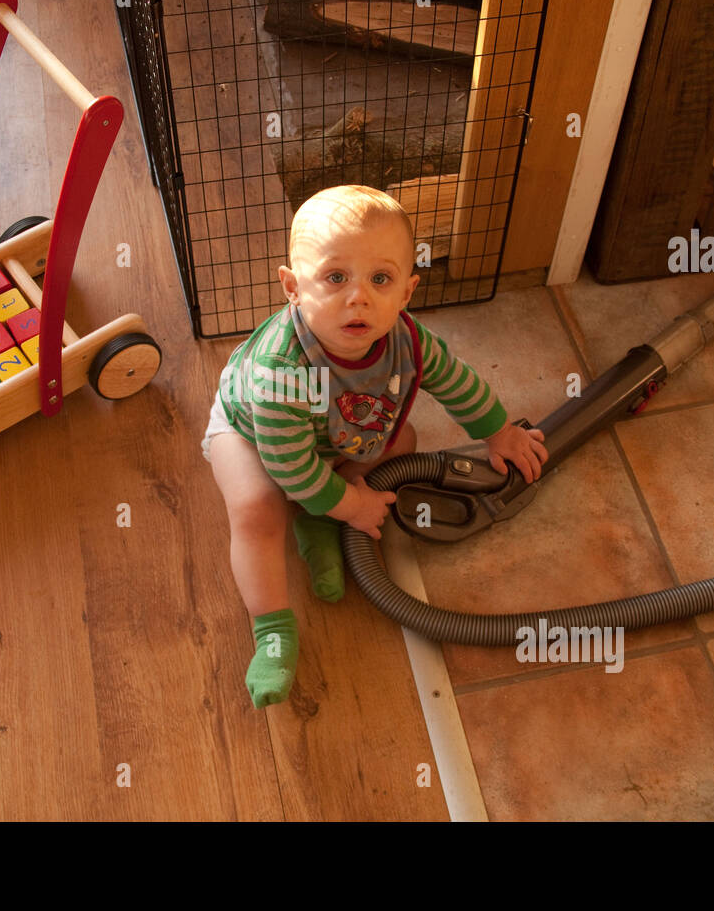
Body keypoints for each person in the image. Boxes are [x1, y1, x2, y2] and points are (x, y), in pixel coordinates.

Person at [201, 185, 548, 708]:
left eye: (379, 279)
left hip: (333, 437)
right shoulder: (283, 369)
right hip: (252, 438)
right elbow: (288, 465)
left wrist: (500, 432)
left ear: (406, 294)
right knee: (257, 507)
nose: (358, 297)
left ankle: (319, 522)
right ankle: (272, 629)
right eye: (335, 277)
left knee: (403, 441)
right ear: (293, 287)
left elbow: (456, 382)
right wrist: (356, 502)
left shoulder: (407, 339)